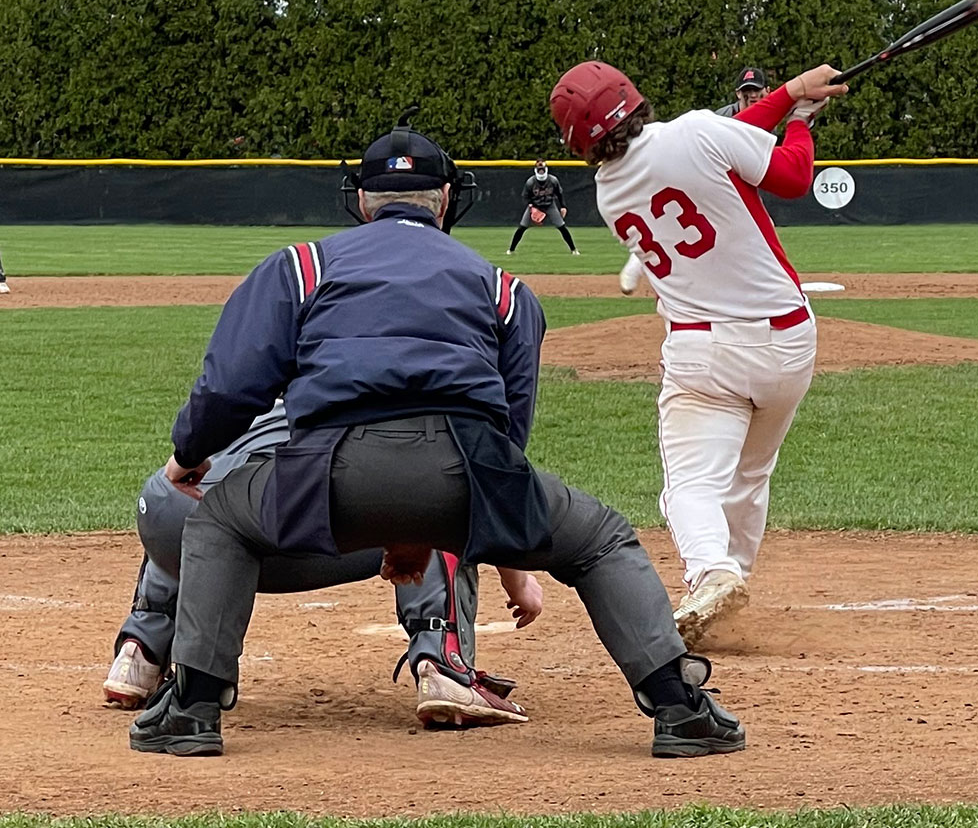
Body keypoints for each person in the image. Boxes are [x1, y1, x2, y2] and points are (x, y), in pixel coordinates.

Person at [129, 119, 742, 759]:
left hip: (323, 473)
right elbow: (510, 431)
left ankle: (193, 712)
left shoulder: (300, 266)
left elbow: (231, 388)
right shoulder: (506, 288)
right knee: (601, 540)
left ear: (361, 201)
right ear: (447, 201)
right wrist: (428, 519)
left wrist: (187, 456)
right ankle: (681, 709)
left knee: (217, 524)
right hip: (466, 466)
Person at [549, 60, 847, 647]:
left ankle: (713, 572)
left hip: (702, 353)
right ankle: (728, 579)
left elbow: (717, 140)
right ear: (632, 98)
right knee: (750, 475)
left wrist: (789, 96)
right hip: (788, 342)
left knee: (690, 485)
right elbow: (788, 175)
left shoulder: (609, 194)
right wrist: (803, 118)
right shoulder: (697, 131)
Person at [105, 399, 527, 728]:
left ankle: (139, 653)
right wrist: (517, 580)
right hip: (306, 532)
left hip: (200, 532)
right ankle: (443, 666)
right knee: (433, 495)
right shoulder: (407, 393)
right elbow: (486, 480)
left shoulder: (262, 377)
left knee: (192, 503)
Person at [618, 65, 773, 296]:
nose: (751, 95)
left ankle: (742, 290)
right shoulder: (723, 118)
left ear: (768, 91)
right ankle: (640, 259)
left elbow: (797, 112)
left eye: (757, 90)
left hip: (735, 183)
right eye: (746, 91)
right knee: (748, 230)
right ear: (737, 94)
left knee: (752, 230)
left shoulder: (771, 112)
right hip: (706, 176)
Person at [505, 158, 580, 255]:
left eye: (542, 169)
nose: (541, 171)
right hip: (535, 205)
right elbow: (525, 197)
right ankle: (511, 250)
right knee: (522, 227)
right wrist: (532, 208)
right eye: (539, 169)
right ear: (535, 170)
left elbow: (559, 193)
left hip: (549, 205)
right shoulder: (530, 182)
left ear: (546, 169)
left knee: (561, 226)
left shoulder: (553, 180)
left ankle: (573, 249)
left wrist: (563, 206)